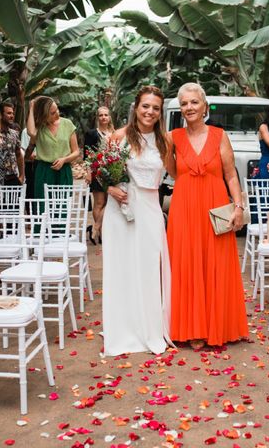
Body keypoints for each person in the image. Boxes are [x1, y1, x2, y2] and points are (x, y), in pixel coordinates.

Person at [167, 82, 248, 350]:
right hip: (184, 207)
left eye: (194, 102)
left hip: (215, 206)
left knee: (215, 263)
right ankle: (191, 329)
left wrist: (238, 206)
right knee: (186, 264)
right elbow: (172, 170)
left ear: (204, 106)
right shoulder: (173, 137)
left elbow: (230, 175)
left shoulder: (219, 135)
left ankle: (216, 326)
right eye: (184, 104)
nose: (189, 107)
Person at [102, 86, 171, 356]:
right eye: (146, 106)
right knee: (122, 268)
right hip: (122, 208)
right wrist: (109, 188)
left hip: (151, 208)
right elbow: (100, 171)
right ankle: (123, 328)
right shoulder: (118, 136)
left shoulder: (165, 140)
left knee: (148, 269)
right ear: (136, 107)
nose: (150, 112)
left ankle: (150, 329)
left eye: (155, 108)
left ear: (160, 112)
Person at [26, 96, 80, 199]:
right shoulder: (39, 127)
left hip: (63, 171)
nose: (57, 114)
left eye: (57, 110)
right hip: (44, 171)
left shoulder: (67, 124)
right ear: (44, 115)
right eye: (52, 113)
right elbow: (31, 132)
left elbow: (76, 152)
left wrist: (64, 160)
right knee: (43, 207)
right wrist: (32, 108)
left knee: (62, 208)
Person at [84, 106, 115, 245]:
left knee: (111, 203)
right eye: (101, 115)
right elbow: (88, 155)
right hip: (97, 171)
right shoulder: (92, 134)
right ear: (98, 118)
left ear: (109, 117)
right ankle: (101, 231)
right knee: (99, 203)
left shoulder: (114, 133)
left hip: (113, 171)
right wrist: (88, 172)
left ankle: (96, 228)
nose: (103, 117)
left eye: (106, 115)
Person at [0, 102, 25, 186]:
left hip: (13, 177)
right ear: (0, 115)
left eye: (13, 113)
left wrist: (21, 176)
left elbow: (19, 154)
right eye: (9, 113)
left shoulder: (14, 134)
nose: (12, 116)